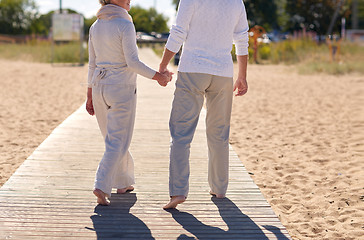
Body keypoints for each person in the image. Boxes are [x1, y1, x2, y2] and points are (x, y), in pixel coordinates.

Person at [159, 0, 249, 209]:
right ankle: (219, 189)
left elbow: (178, 32)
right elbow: (242, 38)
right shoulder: (236, 2)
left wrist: (163, 65)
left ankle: (178, 192)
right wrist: (242, 76)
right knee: (219, 133)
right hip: (223, 73)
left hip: (192, 69)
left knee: (181, 134)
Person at [86, 0, 172, 206]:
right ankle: (101, 184)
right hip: (121, 88)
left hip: (99, 87)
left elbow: (92, 63)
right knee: (117, 141)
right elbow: (133, 62)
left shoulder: (95, 26)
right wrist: (159, 77)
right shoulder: (125, 25)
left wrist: (89, 94)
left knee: (113, 139)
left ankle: (122, 183)